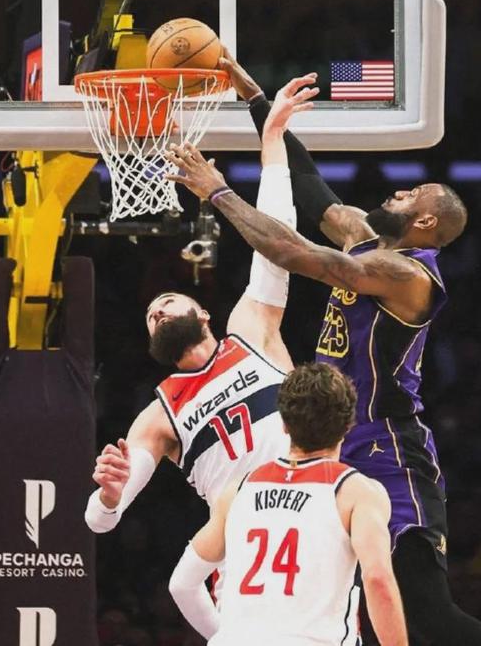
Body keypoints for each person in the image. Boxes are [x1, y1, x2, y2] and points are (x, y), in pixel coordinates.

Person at [166, 63, 481, 645]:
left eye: (410, 194)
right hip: (331, 443)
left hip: (388, 447)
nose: (396, 191)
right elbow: (311, 188)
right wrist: (257, 101)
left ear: (426, 220)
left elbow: (298, 255)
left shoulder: (409, 275)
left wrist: (217, 192)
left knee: (426, 611)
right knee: (349, 602)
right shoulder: (364, 236)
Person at [83, 76, 318, 556]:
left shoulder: (250, 333)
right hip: (243, 549)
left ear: (205, 314)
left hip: (313, 518)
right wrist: (107, 495)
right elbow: (101, 521)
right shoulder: (160, 413)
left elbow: (277, 242)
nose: (157, 310)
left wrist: (272, 138)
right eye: (152, 314)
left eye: (167, 302)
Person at [168, 362, 408, 646]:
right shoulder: (357, 492)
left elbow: (181, 584)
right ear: (347, 426)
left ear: (283, 423)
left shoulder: (238, 491)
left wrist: (223, 635)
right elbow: (378, 579)